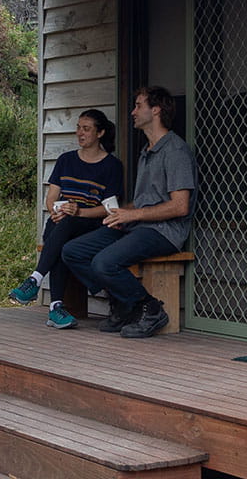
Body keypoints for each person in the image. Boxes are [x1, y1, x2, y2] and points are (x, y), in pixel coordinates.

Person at [61, 86, 195, 339]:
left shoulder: (175, 151)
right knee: (72, 251)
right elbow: (145, 201)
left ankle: (150, 309)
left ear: (155, 110)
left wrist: (132, 215)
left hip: (164, 232)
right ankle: (124, 304)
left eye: (138, 106)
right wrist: (120, 212)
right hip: (138, 226)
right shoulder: (147, 151)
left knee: (104, 262)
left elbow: (180, 206)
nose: (133, 112)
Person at [6, 109, 123, 330]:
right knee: (59, 230)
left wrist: (78, 211)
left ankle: (35, 280)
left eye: (86, 129)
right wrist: (55, 210)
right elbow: (51, 197)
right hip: (63, 222)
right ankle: (56, 307)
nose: (80, 133)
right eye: (78, 127)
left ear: (100, 133)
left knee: (63, 230)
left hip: (90, 224)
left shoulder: (112, 166)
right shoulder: (65, 160)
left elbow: (109, 209)